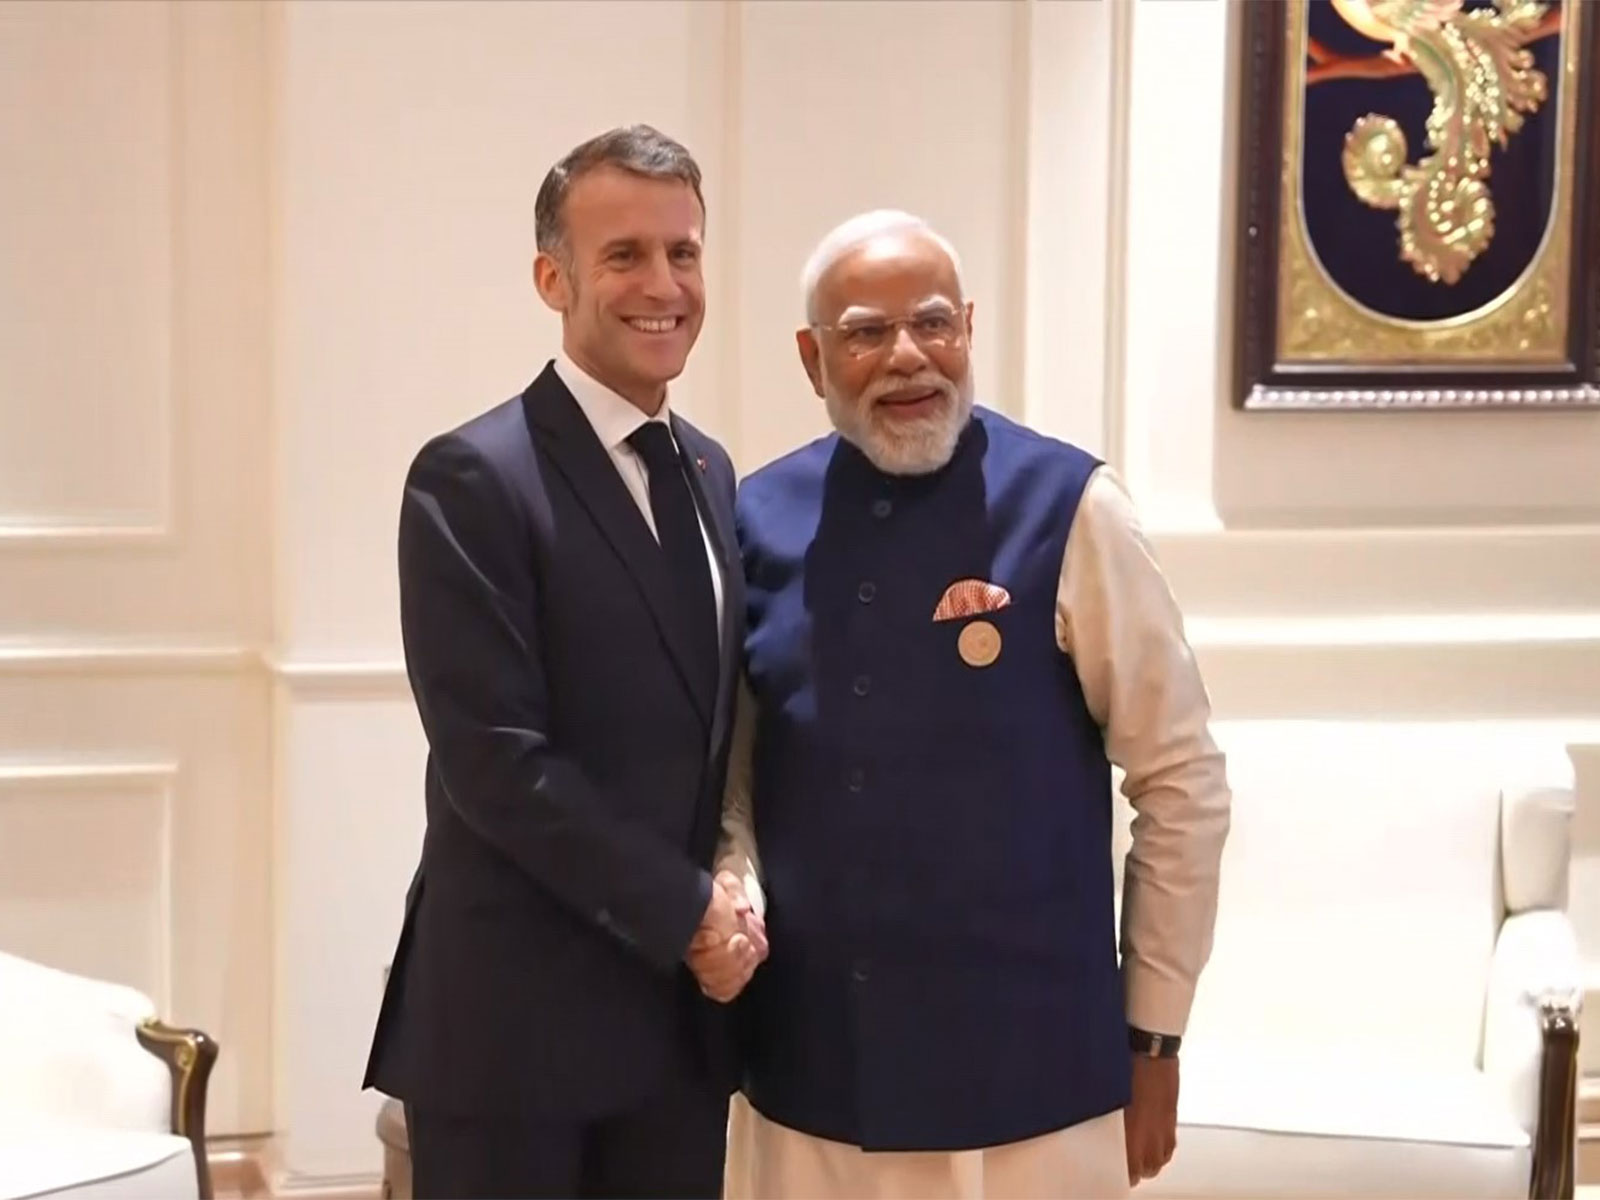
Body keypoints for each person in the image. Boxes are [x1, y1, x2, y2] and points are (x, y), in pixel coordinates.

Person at [714, 209, 1232, 1198]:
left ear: (969, 330)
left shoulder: (1072, 505)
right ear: (811, 357)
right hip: (815, 1072)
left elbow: (1181, 780)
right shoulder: (750, 519)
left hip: (1032, 1078)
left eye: (936, 324)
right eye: (866, 331)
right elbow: (730, 778)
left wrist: (1155, 1038)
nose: (909, 357)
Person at [362, 124, 765, 1200]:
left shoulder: (711, 473)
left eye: (682, 252)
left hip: (677, 1037)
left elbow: (711, 725)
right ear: (554, 277)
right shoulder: (469, 478)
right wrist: (688, 913)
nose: (663, 283)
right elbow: (500, 764)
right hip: (513, 1031)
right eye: (624, 254)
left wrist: (733, 886)